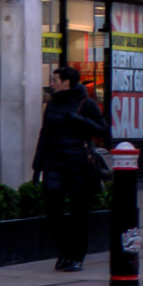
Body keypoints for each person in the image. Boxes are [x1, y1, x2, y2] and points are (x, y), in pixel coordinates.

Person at [31, 66, 108, 271]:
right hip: (54, 162)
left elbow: (103, 130)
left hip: (78, 163)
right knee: (53, 210)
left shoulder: (86, 103)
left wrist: (80, 120)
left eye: (55, 80)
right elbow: (44, 134)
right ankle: (64, 250)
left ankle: (77, 255)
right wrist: (37, 165)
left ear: (67, 83)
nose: (52, 83)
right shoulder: (52, 104)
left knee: (78, 212)